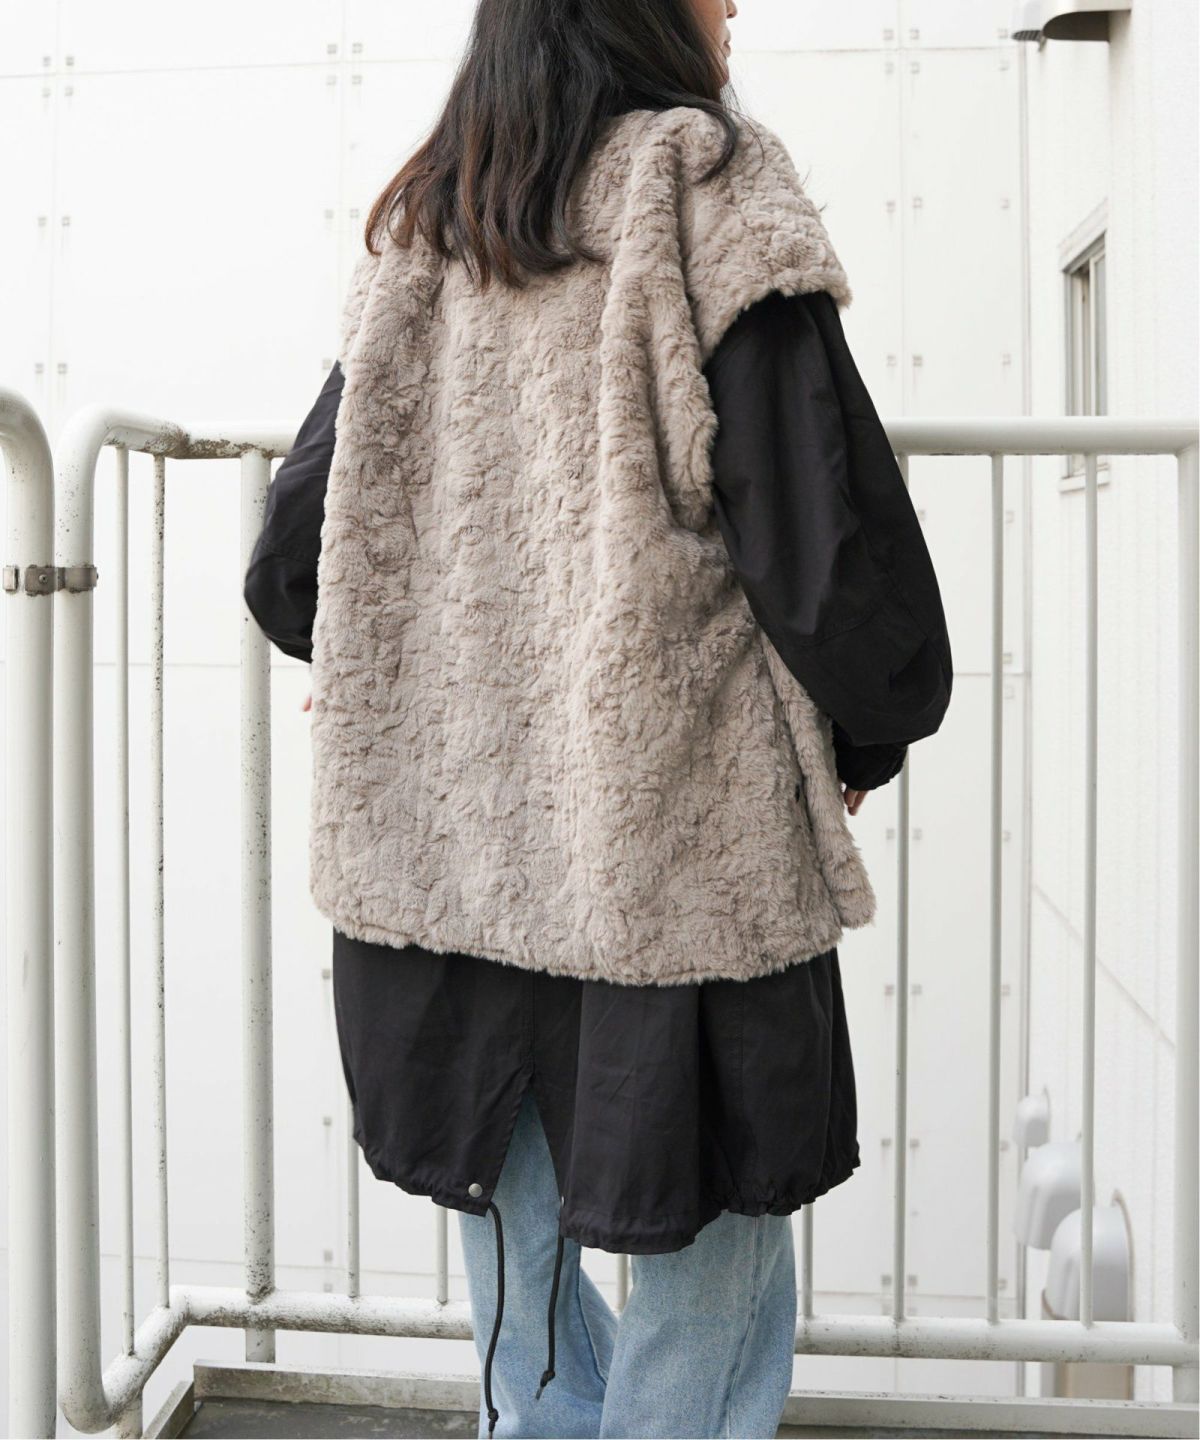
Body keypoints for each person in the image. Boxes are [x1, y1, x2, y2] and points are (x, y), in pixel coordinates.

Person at [244, 1, 953, 1435]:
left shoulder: (431, 225)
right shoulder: (702, 181)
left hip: (456, 873)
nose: (735, 2)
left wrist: (409, 668)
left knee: (522, 1282)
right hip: (670, 867)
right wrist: (872, 724)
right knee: (713, 1267)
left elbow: (295, 560)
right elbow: (820, 534)